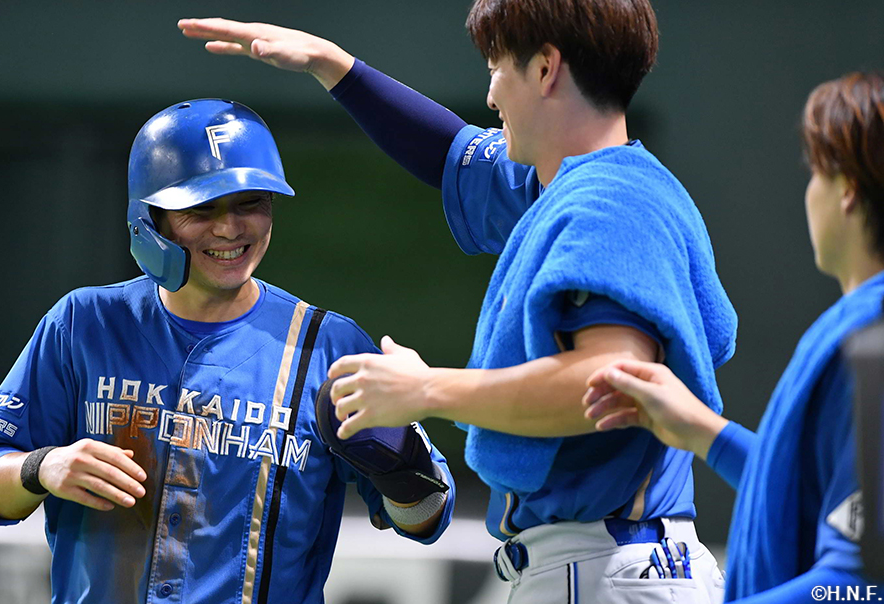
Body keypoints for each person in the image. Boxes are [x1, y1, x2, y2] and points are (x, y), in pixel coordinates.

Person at [179, 1, 736, 601]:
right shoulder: (576, 185)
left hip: (608, 565)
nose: (492, 97)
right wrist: (332, 65)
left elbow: (611, 382)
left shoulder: (610, 203)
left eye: (497, 68)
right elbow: (451, 153)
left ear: (546, 69)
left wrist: (426, 390)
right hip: (608, 561)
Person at [0, 99, 455, 604]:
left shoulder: (328, 347)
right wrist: (42, 467)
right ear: (149, 217)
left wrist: (399, 457)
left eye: (250, 203)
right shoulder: (84, 322)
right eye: (201, 208)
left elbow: (425, 519)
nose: (229, 229)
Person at [583, 72, 884, 602]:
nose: (808, 190)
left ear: (847, 192)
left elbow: (860, 583)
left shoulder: (874, 343)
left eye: (814, 172)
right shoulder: (863, 330)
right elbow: (808, 497)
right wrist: (704, 432)